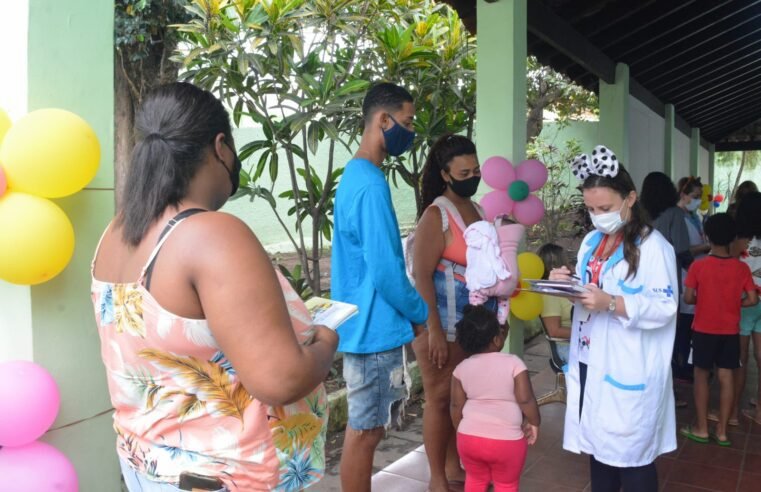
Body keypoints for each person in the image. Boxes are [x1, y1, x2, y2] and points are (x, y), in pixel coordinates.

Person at [90, 83, 338, 491]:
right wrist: (325, 342)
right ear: (221, 147)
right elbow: (279, 380)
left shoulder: (116, 234)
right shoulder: (211, 234)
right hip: (225, 476)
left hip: (147, 466)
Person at [552, 145, 678, 491]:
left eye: (605, 208)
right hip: (590, 360)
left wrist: (612, 303)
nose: (598, 216)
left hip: (627, 367)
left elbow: (664, 307)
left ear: (630, 198)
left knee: (631, 459)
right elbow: (590, 288)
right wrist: (566, 283)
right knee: (599, 454)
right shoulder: (593, 241)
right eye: (591, 209)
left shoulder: (655, 247)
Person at [331, 82, 429, 492]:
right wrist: (421, 313)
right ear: (383, 121)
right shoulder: (370, 184)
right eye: (406, 122)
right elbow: (388, 272)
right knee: (366, 432)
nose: (409, 131)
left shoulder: (356, 176)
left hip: (363, 325)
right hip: (372, 330)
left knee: (367, 429)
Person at [410, 134, 510, 492]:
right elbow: (421, 275)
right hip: (444, 328)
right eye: (464, 171)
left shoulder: (479, 211)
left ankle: (454, 468)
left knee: (463, 397)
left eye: (476, 169)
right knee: (439, 400)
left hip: (473, 326)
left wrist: (499, 317)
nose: (474, 176)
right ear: (446, 175)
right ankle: (437, 478)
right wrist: (432, 329)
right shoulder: (436, 215)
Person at [681, 213, 758, 446]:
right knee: (726, 377)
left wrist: (704, 300)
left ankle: (702, 428)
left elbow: (688, 297)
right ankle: (723, 431)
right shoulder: (741, 268)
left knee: (701, 376)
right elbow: (753, 299)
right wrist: (736, 303)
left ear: (708, 236)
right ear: (733, 237)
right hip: (730, 332)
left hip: (704, 330)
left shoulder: (699, 266)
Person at [450, 305, 540, 492]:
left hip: (469, 441)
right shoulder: (514, 363)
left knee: (474, 481)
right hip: (507, 442)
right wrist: (534, 421)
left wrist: (462, 431)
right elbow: (525, 399)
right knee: (506, 485)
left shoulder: (460, 369)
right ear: (497, 339)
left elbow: (456, 406)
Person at [640, 171, 693, 387]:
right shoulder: (675, 214)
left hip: (642, 278)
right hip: (669, 278)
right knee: (669, 331)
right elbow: (681, 248)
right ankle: (668, 386)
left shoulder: (640, 213)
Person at [675, 176, 711, 382]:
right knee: (685, 325)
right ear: (683, 195)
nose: (698, 200)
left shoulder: (694, 217)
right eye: (695, 197)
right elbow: (682, 250)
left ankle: (691, 363)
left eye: (700, 197)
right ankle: (682, 365)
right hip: (685, 274)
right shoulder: (678, 218)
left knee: (693, 323)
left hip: (697, 274)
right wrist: (707, 247)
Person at [732, 192, 761, 425]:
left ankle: (732, 413)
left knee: (739, 360)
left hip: (743, 303)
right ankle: (760, 412)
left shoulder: (740, 242)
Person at [536, 243, 572, 365]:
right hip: (567, 347)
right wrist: (587, 333)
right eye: (566, 259)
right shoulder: (549, 294)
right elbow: (554, 331)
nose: (570, 264)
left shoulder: (566, 287)